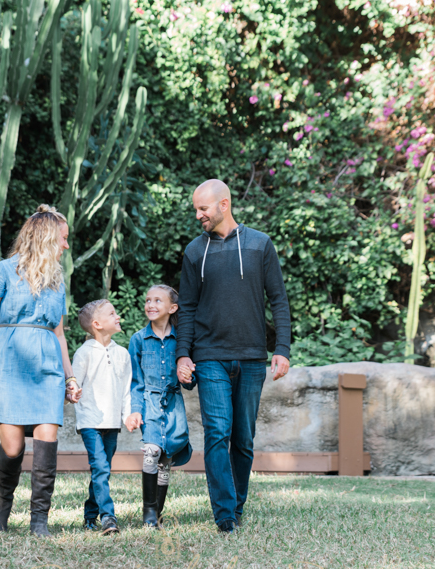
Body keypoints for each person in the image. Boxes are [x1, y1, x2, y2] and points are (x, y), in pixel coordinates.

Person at [175, 179, 291, 533]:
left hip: (253, 357)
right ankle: (224, 515)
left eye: (203, 208)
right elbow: (188, 308)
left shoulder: (259, 245)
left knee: (242, 438)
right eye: (196, 209)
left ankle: (237, 505)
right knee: (216, 433)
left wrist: (282, 349)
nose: (198, 215)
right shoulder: (195, 252)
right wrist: (183, 354)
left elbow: (279, 300)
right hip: (209, 357)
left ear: (223, 204)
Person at [0, 205, 81, 537]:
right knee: (13, 447)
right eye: (63, 238)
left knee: (48, 437)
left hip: (47, 367)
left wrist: (70, 376)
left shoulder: (58, 282)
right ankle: (2, 508)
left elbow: (58, 334)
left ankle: (39, 520)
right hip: (8, 364)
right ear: (46, 237)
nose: (66, 246)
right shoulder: (1, 271)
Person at [125, 285, 195, 529]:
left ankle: (159, 512)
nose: (150, 305)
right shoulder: (138, 340)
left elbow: (189, 381)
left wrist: (188, 378)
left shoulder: (183, 340)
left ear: (172, 308)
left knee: (166, 459)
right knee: (151, 452)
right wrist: (135, 410)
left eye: (157, 300)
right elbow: (135, 381)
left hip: (174, 407)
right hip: (150, 405)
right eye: (147, 300)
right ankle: (149, 512)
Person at [71, 299, 132, 535]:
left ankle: (89, 516)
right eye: (112, 313)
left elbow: (127, 388)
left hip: (112, 423)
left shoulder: (122, 353)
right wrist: (72, 392)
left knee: (101, 470)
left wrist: (127, 416)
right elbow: (73, 385)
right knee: (100, 468)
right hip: (90, 422)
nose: (118, 316)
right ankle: (108, 517)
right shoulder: (84, 353)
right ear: (97, 324)